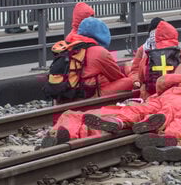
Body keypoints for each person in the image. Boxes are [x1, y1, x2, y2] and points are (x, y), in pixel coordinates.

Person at [42, 17, 135, 145]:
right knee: (129, 82)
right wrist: (132, 74)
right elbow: (117, 78)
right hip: (85, 99)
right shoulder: (100, 52)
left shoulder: (67, 47)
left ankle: (61, 133)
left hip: (63, 98)